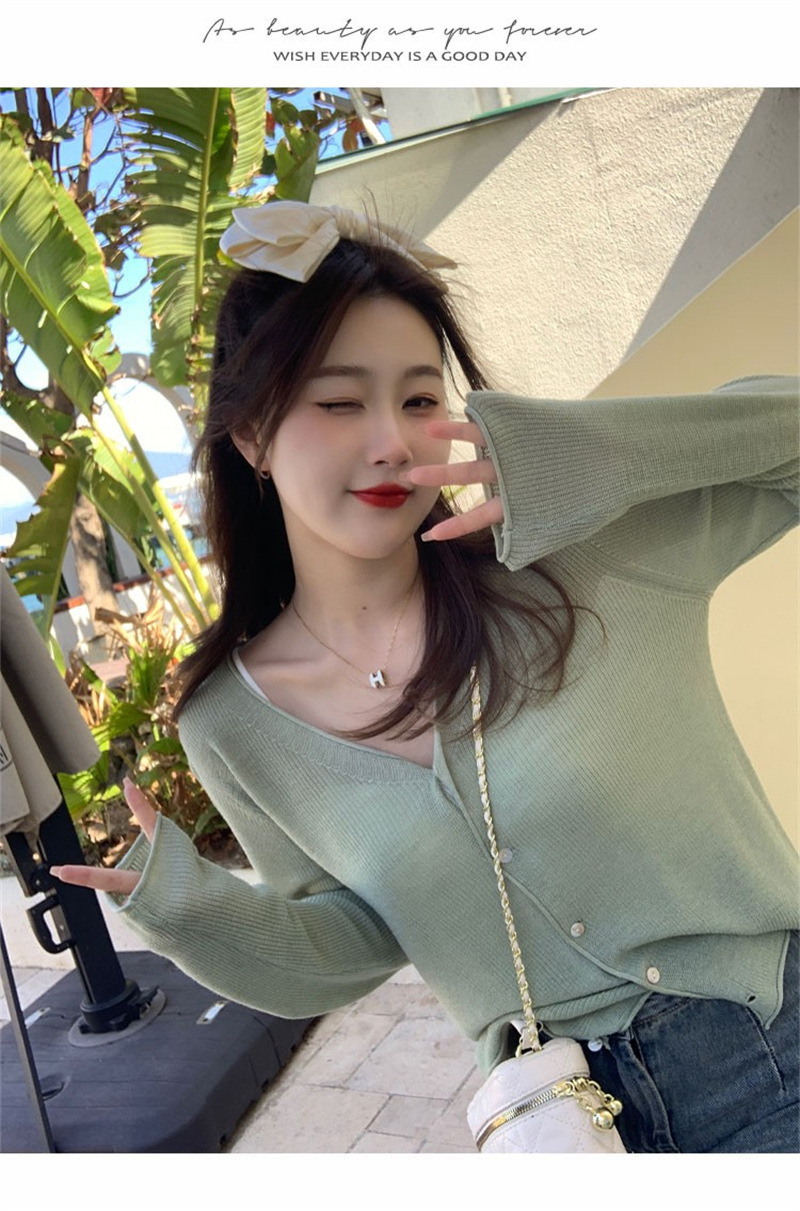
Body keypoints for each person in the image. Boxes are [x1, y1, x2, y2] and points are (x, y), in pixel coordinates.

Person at [51, 200, 799, 1153]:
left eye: (417, 399)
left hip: (765, 1050)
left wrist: (583, 452)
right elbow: (354, 936)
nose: (393, 443)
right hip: (557, 1125)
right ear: (251, 435)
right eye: (338, 402)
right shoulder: (228, 722)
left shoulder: (582, 560)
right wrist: (192, 914)